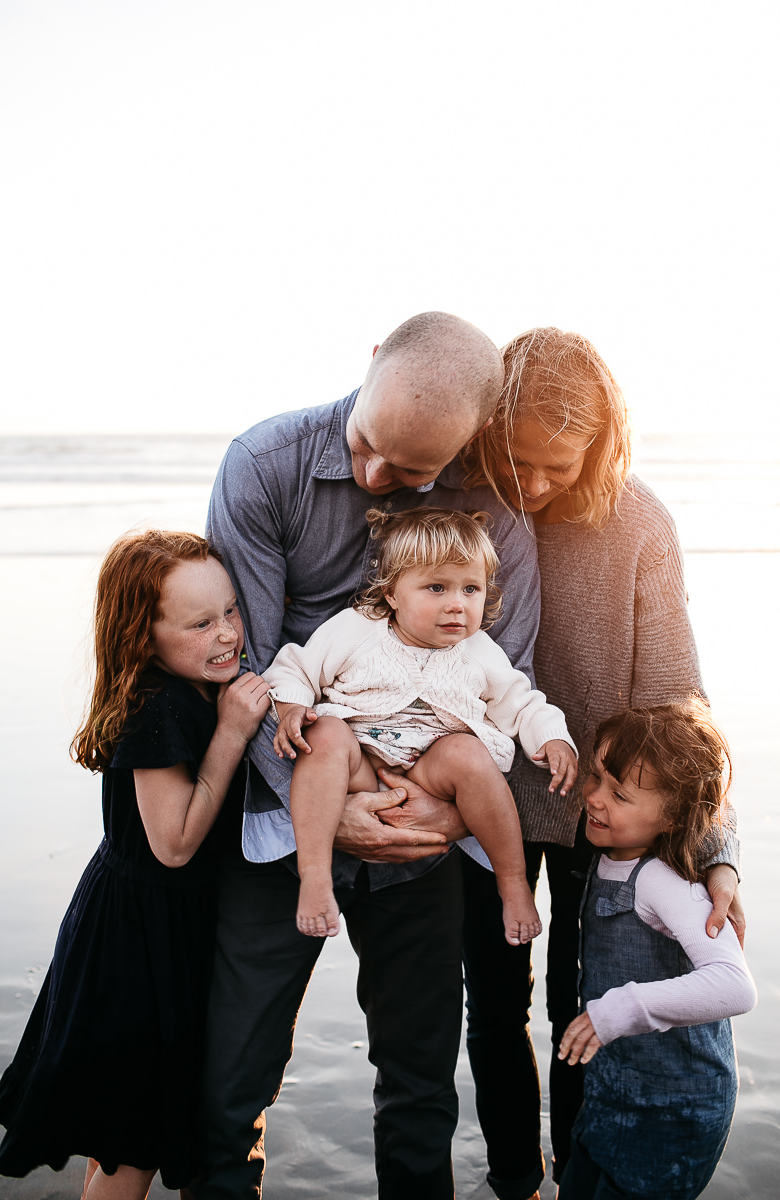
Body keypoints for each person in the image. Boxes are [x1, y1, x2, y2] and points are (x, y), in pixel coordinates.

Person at [197, 311, 541, 1200]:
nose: (376, 477)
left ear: (467, 447)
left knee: (421, 1086)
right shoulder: (264, 466)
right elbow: (251, 664)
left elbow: (509, 676)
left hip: (423, 826)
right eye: (370, 446)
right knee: (232, 1081)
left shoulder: (494, 512)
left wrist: (438, 809)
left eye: (413, 471)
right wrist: (332, 811)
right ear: (373, 357)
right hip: (286, 818)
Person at [435, 327, 743, 1200]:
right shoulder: (468, 497)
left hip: (599, 814)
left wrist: (714, 850)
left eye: (557, 468)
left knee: (582, 1011)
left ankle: (576, 1175)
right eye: (518, 459)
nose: (531, 485)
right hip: (481, 800)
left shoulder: (640, 522)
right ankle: (512, 1182)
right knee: (492, 1007)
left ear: (601, 445)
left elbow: (681, 703)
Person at [0, 530, 269, 1200]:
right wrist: (230, 734)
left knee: (120, 1135)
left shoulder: (196, 685)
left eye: (231, 610)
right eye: (200, 623)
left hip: (158, 926)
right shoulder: (158, 704)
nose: (226, 633)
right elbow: (173, 843)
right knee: (131, 1142)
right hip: (137, 944)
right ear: (145, 636)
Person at [267, 507, 577, 942]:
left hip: (429, 771)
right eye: (436, 587)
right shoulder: (356, 630)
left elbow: (522, 704)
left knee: (468, 753)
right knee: (325, 736)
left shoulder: (479, 650)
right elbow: (295, 668)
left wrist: (553, 737)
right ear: (392, 593)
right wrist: (293, 706)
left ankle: (512, 883)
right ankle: (314, 875)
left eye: (471, 589)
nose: (457, 604)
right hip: (360, 761)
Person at [557, 702, 757, 1199]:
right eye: (596, 776)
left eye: (619, 794)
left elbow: (735, 986)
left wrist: (626, 1007)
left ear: (672, 818)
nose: (595, 798)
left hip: (673, 1114)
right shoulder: (610, 858)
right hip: (611, 1096)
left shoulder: (665, 882)